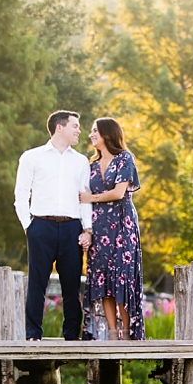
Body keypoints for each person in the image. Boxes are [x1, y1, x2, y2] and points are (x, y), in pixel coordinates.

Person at [14, 110, 92, 340]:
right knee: (37, 284)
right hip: (41, 226)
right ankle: (33, 335)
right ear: (60, 127)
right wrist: (28, 226)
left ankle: (71, 337)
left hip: (71, 228)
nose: (79, 130)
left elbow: (84, 198)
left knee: (72, 286)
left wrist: (87, 230)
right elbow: (21, 194)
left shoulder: (81, 161)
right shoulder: (31, 157)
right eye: (75, 126)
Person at [79, 117, 145, 340]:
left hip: (123, 225)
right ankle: (112, 332)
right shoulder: (90, 166)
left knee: (121, 277)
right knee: (103, 279)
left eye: (95, 130)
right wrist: (87, 229)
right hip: (99, 227)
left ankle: (127, 332)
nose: (91, 134)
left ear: (107, 134)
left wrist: (92, 198)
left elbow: (118, 193)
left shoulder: (124, 158)